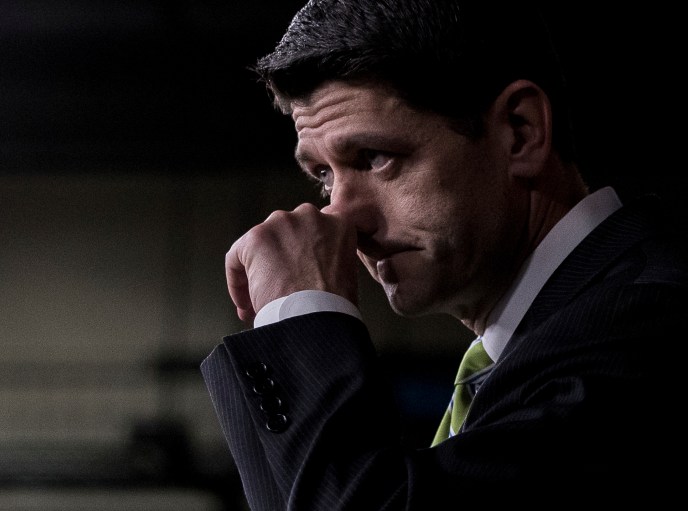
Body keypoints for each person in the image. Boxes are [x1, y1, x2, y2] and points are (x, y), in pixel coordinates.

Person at [201, 0, 687, 508]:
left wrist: (302, 319)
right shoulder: (566, 333)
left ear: (520, 132)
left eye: (375, 157)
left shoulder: (646, 328)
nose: (341, 218)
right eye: (323, 176)